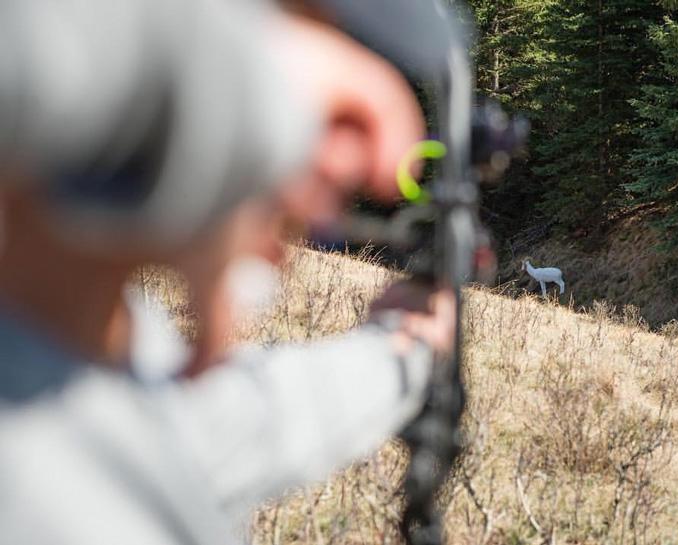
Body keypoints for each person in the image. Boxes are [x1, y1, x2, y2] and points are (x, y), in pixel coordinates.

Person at [0, 1, 456, 544]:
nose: (333, 163)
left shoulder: (108, 351)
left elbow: (231, 424)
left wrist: (401, 354)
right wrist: (246, 93)